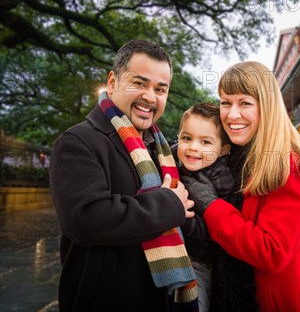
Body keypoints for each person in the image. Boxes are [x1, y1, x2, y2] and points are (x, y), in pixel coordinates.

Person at [50, 39, 198, 311]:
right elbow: (85, 219)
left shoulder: (162, 148)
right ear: (113, 81)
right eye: (139, 83)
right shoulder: (77, 141)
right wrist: (169, 203)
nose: (150, 97)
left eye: (160, 89)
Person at [181, 61, 300, 311]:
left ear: (266, 107)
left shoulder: (290, 165)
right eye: (225, 102)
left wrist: (210, 205)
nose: (232, 114)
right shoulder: (233, 157)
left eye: (244, 103)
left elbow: (272, 252)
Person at [175, 102, 234, 311]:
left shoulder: (222, 179)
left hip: (199, 260)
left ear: (223, 149)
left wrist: (177, 218)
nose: (193, 147)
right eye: (186, 138)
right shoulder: (171, 161)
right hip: (169, 252)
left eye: (206, 142)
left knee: (193, 304)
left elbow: (214, 230)